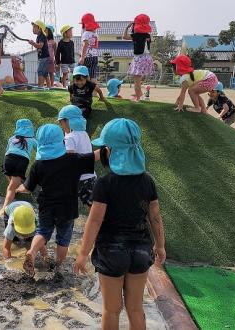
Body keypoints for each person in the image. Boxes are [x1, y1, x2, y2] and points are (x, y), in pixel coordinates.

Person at [73, 118, 166, 330]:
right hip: (141, 250)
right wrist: (160, 245)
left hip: (111, 252)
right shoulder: (147, 181)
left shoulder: (105, 184)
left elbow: (95, 220)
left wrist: (83, 253)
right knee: (135, 308)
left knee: (111, 309)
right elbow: (155, 217)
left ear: (112, 150)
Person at [17, 124, 101, 276]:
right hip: (67, 208)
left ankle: (32, 251)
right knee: (63, 238)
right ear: (61, 141)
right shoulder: (73, 159)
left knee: (43, 231)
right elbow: (94, 156)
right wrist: (110, 148)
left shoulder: (38, 165)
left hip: (46, 206)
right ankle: (58, 267)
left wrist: (19, 189)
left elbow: (28, 188)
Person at [58, 105, 96, 207]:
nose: (60, 125)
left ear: (67, 121)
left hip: (80, 179)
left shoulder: (69, 138)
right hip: (91, 175)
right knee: (92, 205)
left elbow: (70, 159)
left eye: (60, 122)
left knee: (90, 207)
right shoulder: (84, 133)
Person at [2, 119, 37, 210]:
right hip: (22, 161)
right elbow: (39, 149)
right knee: (11, 188)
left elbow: (7, 151)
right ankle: (4, 210)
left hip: (8, 159)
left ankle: (14, 187)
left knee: (7, 174)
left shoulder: (12, 138)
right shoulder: (32, 139)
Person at [123, 14, 154, 102]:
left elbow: (124, 37)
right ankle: (138, 93)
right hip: (147, 57)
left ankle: (138, 97)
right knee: (138, 78)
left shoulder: (136, 35)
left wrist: (127, 28)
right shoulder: (148, 35)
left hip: (139, 58)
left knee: (136, 79)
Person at [28, 20, 50, 88]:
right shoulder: (39, 36)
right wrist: (34, 43)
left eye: (34, 27)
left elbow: (40, 46)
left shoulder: (41, 36)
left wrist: (33, 43)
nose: (33, 29)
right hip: (44, 57)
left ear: (39, 28)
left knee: (40, 71)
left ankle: (40, 86)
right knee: (45, 73)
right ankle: (49, 86)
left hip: (44, 57)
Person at [79, 13, 100, 84]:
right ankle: (94, 92)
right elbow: (96, 46)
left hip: (87, 57)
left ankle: (87, 91)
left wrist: (82, 57)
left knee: (86, 74)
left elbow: (85, 45)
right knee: (93, 75)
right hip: (95, 57)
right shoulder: (95, 34)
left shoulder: (86, 34)